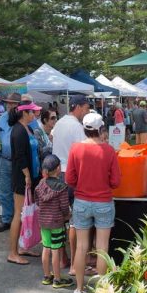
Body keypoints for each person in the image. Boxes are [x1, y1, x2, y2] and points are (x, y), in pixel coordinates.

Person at [66, 112, 121, 293]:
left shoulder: (75, 148)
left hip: (81, 201)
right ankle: (102, 292)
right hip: (103, 202)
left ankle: (79, 289)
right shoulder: (109, 151)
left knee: (81, 247)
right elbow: (116, 182)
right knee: (102, 247)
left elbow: (70, 179)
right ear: (100, 129)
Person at [51, 95, 89, 273]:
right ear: (79, 107)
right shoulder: (77, 126)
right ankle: (74, 263)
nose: (87, 112)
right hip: (71, 174)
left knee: (59, 218)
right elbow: (83, 153)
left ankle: (62, 259)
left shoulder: (59, 123)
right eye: (86, 108)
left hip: (56, 173)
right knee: (74, 220)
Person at [7, 102, 42, 265]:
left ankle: (22, 247)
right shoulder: (18, 130)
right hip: (22, 177)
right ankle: (13, 253)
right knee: (19, 214)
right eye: (32, 112)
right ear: (24, 113)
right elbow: (20, 156)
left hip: (31, 176)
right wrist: (27, 175)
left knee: (26, 213)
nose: (34, 114)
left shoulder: (27, 128)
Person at [35, 154, 72, 289]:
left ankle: (46, 276)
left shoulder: (40, 184)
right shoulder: (62, 187)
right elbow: (64, 206)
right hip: (56, 222)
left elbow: (37, 202)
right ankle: (57, 279)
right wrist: (67, 215)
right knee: (56, 249)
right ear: (58, 169)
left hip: (43, 222)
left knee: (46, 247)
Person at [0, 92, 22, 233]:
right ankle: (6, 220)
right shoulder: (2, 118)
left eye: (12, 103)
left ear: (18, 105)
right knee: (4, 192)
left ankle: (21, 220)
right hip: (4, 160)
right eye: (8, 103)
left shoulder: (25, 117)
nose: (9, 105)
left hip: (20, 162)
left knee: (20, 192)